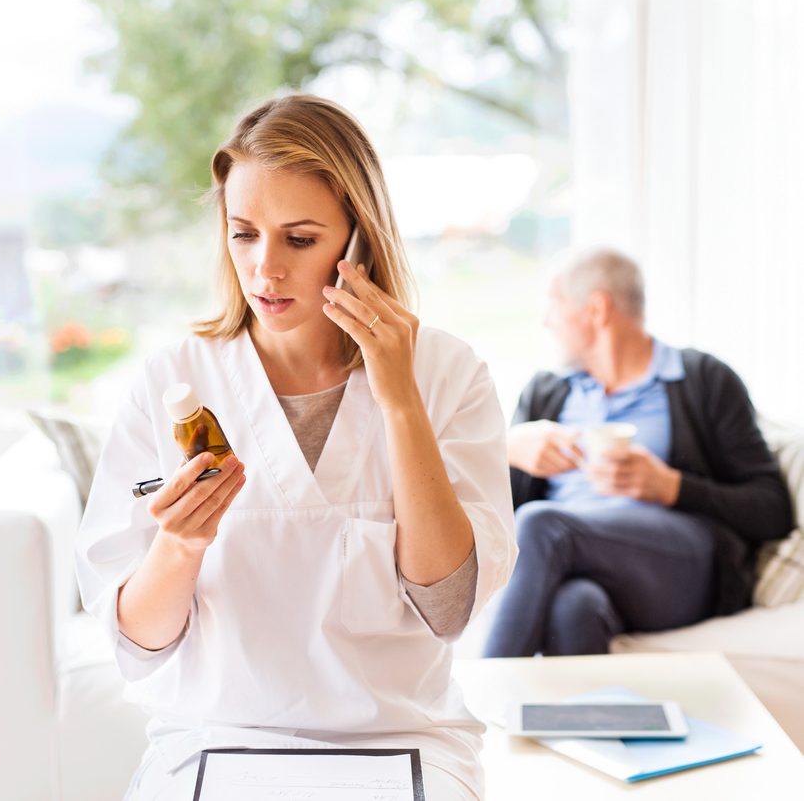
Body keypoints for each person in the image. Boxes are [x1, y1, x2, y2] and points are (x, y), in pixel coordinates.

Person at [75, 94, 517, 800]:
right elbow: (139, 642)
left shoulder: (447, 374)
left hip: (399, 740)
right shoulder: (174, 382)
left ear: (359, 240)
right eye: (244, 234)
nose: (265, 271)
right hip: (216, 740)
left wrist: (398, 398)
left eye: (300, 239)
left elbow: (450, 608)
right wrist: (182, 546)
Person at [484, 248, 792, 658]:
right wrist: (508, 449)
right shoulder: (546, 393)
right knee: (574, 608)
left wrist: (671, 487)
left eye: (555, 305)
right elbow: (494, 515)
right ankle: (583, 721)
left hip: (676, 566)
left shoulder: (703, 379)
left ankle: (481, 708)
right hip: (579, 565)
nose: (547, 322)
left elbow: (772, 509)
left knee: (544, 524)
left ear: (596, 309)